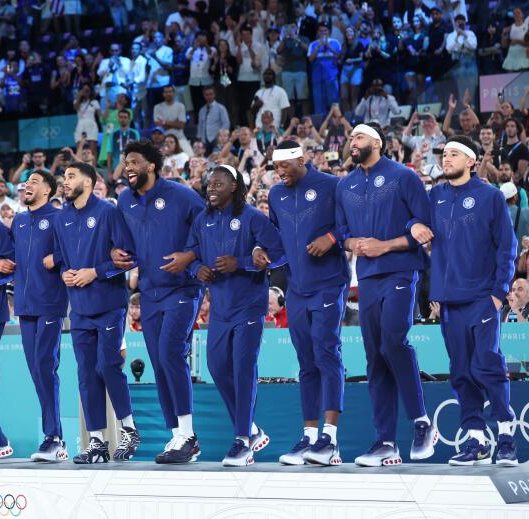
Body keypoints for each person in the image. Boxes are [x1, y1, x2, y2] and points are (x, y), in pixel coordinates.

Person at [336, 123, 437, 467]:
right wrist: (354, 244)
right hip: (366, 277)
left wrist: (385, 245)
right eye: (351, 138)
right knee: (374, 358)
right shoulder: (345, 184)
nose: (353, 142)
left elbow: (424, 223)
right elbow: (342, 234)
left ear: (377, 142)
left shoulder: (402, 175)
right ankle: (386, 442)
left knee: (393, 341)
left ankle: (422, 422)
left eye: (359, 137)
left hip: (400, 270)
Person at [423, 136, 518, 466]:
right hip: (450, 303)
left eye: (453, 154)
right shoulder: (434, 196)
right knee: (461, 371)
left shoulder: (490, 197)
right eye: (444, 154)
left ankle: (505, 434)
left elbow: (507, 247)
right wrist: (435, 294)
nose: (446, 159)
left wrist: (498, 293)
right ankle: (476, 439)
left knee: (487, 365)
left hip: (482, 298)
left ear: (471, 161)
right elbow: (412, 223)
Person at [111, 139, 205, 464]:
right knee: (160, 362)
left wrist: (190, 255)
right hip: (149, 292)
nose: (128, 168)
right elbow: (123, 240)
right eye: (126, 163)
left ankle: (189, 436)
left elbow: (209, 228)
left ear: (151, 165)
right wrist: (117, 253)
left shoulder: (182, 195)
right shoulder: (125, 200)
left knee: (171, 354)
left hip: (183, 289)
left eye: (134, 162)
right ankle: (177, 433)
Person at [184, 165, 283, 467]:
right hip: (221, 308)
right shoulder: (203, 220)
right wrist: (194, 268)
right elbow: (191, 252)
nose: (211, 188)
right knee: (216, 366)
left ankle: (242, 440)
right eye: (209, 184)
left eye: (218, 183)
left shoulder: (253, 217)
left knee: (243, 368)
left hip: (250, 305)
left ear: (234, 186)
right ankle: (251, 429)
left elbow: (279, 253)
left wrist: (242, 263)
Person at [265, 141, 350, 467]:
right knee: (306, 361)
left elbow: (351, 225)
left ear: (301, 160)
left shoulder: (331, 185)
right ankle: (310, 437)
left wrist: (331, 238)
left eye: (284, 166)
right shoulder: (275, 194)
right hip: (297, 287)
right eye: (275, 168)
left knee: (327, 352)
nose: (279, 173)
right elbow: (276, 237)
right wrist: (264, 255)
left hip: (329, 283)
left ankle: (331, 439)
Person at [52, 162, 140, 464]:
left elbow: (129, 258)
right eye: (65, 177)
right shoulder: (61, 218)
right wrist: (65, 272)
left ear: (89, 182)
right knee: (86, 375)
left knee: (108, 366)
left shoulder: (108, 212)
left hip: (110, 304)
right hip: (78, 308)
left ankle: (129, 430)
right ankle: (98, 442)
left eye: (71, 176)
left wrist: (96, 272)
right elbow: (62, 258)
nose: (66, 181)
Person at [0, 170, 69, 462]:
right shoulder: (19, 220)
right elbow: (15, 256)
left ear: (49, 190)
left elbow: (77, 249)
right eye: (26, 182)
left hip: (50, 304)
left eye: (35, 182)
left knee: (45, 365)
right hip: (24, 307)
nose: (27, 185)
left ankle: (55, 438)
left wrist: (59, 258)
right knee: (37, 370)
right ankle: (52, 436)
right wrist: (5, 263)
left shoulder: (59, 218)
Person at [307, 24, 342, 115]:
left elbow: (339, 56)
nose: (323, 32)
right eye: (321, 31)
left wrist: (328, 46)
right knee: (318, 100)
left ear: (329, 32)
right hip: (317, 76)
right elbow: (310, 59)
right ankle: (320, 123)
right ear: (317, 32)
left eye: (325, 30)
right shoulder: (313, 44)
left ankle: (336, 121)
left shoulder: (335, 42)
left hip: (331, 76)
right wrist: (319, 46)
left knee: (333, 99)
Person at [198, 86, 230, 154]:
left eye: (211, 94)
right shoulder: (202, 110)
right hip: (205, 140)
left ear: (214, 94)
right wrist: (199, 138)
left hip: (217, 139)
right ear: (204, 96)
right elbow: (200, 125)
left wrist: (220, 136)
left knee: (216, 158)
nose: (209, 96)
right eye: (206, 94)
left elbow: (226, 123)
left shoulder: (221, 108)